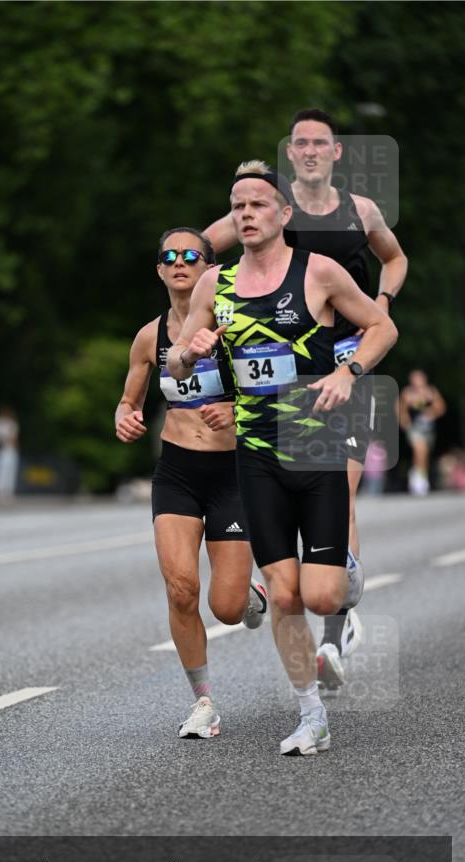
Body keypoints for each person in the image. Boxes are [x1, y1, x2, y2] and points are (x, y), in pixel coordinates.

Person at [167, 163, 397, 755]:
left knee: (321, 595)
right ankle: (311, 714)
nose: (246, 214)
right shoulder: (212, 286)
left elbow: (381, 329)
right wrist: (188, 356)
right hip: (256, 452)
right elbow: (176, 367)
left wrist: (348, 373)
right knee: (284, 592)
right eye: (237, 205)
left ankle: (345, 569)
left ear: (284, 214)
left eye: (258, 205)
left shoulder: (318, 271)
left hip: (313, 441)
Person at [204, 109, 408, 690]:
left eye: (322, 142)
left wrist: (384, 301)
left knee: (337, 486)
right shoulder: (266, 205)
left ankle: (335, 632)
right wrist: (212, 310)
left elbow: (394, 258)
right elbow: (200, 251)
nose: (312, 150)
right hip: (277, 378)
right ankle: (290, 581)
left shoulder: (361, 211)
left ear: (337, 152)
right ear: (290, 153)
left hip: (345, 364)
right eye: (302, 143)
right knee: (281, 482)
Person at [115, 227, 266, 739]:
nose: (180, 263)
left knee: (226, 608)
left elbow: (281, 396)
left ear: (209, 267)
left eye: (191, 256)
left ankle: (251, 596)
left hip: (234, 473)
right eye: (169, 256)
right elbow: (129, 401)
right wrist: (125, 417)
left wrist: (237, 408)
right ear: (159, 269)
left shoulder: (235, 329)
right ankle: (203, 702)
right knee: (181, 589)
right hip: (177, 470)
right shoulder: (149, 336)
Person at [398, 369, 446, 495]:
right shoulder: (407, 393)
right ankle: (419, 480)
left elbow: (441, 407)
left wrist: (432, 413)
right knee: (420, 449)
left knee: (424, 454)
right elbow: (400, 409)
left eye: (419, 379)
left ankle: (418, 474)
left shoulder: (431, 392)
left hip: (428, 428)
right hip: (414, 428)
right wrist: (404, 421)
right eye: (414, 379)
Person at [0, 406, 20, 498]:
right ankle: (1, 491)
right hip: (2, 450)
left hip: (9, 450)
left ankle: (5, 491)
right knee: (1, 471)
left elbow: (14, 438)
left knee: (7, 471)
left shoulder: (10, 424)